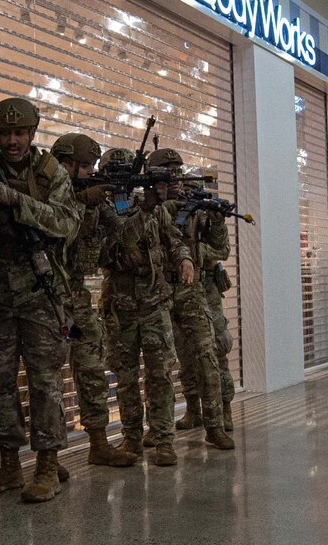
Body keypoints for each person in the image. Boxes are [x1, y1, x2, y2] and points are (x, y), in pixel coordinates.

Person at [0, 97, 81, 503]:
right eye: (5, 133)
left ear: (32, 133)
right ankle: (8, 465)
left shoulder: (50, 172)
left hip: (39, 290)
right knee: (0, 381)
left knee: (44, 381)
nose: (12, 141)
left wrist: (16, 200)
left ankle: (47, 465)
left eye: (20, 133)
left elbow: (66, 223)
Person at [49, 133, 139, 469]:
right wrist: (81, 202)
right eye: (85, 166)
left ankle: (98, 444)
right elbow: (57, 231)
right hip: (44, 296)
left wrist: (134, 206)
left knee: (91, 369)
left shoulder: (95, 201)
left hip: (76, 296)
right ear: (65, 165)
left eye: (91, 165)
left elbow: (125, 236)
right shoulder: (46, 194)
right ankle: (48, 458)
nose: (90, 172)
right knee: (47, 380)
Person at [99, 146, 192, 466]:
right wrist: (146, 209)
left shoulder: (150, 206)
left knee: (160, 373)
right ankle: (131, 438)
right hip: (120, 306)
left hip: (154, 302)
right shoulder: (100, 211)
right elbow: (118, 241)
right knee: (125, 378)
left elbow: (174, 239)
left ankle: (164, 439)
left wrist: (185, 259)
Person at [151, 148, 232, 452]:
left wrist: (217, 222)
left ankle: (217, 422)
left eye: (177, 170)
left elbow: (220, 249)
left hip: (192, 288)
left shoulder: (195, 205)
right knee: (170, 359)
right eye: (166, 171)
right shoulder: (144, 206)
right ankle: (176, 420)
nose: (174, 177)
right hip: (157, 290)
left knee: (209, 353)